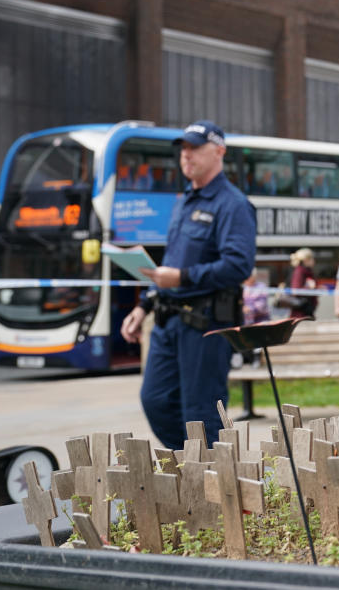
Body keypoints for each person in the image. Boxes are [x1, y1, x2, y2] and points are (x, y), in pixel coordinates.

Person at [120, 120, 256, 449]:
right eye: (183, 149)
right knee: (156, 401)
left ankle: (212, 486)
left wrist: (182, 278)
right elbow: (172, 261)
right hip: (168, 322)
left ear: (219, 151)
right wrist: (144, 305)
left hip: (205, 326)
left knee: (200, 414)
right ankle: (191, 467)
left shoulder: (233, 204)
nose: (186, 156)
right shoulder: (184, 203)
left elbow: (238, 266)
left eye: (194, 148)